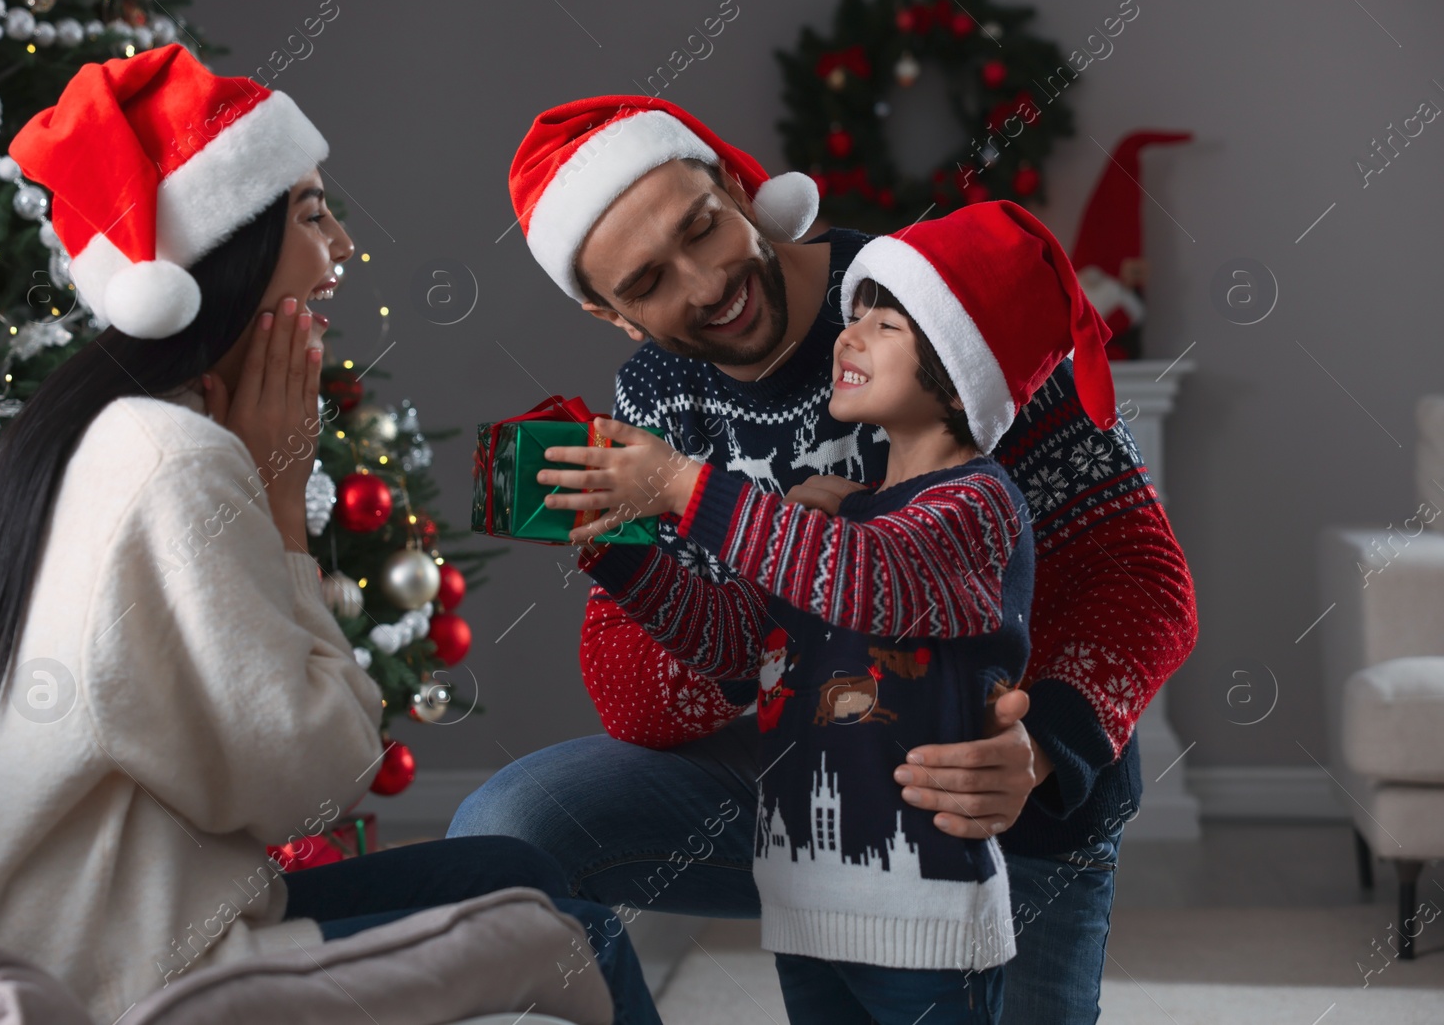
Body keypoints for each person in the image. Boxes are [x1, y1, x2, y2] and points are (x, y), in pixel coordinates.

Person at [0, 48, 659, 1025]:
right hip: (127, 977)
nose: (342, 244)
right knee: (584, 938)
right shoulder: (171, 456)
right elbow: (311, 786)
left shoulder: (110, 425)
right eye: (310, 214)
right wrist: (278, 506)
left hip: (126, 927)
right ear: (228, 253)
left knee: (508, 863)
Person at [450, 94, 1199, 1023]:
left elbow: (1143, 577)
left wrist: (1042, 746)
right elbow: (647, 704)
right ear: (614, 316)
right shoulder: (655, 395)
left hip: (997, 801)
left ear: (732, 182)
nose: (704, 282)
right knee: (503, 836)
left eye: (701, 228)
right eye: (648, 283)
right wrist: (628, 553)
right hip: (814, 786)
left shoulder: (941, 301)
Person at [532, 203, 1122, 1024]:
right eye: (855, 315)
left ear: (959, 364)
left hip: (923, 907)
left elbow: (871, 580)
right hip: (810, 890)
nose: (849, 334)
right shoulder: (841, 516)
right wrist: (619, 552)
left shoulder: (975, 505)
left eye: (884, 323)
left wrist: (679, 486)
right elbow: (734, 644)